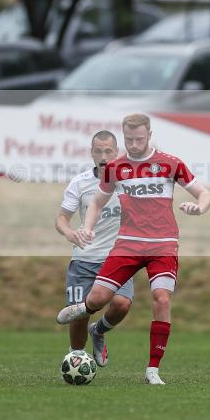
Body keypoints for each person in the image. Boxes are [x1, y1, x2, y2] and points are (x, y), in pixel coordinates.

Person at [56, 113, 210, 385]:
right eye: (129, 139)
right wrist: (89, 227)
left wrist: (199, 207)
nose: (134, 144)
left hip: (163, 245)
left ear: (149, 135)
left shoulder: (170, 163)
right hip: (128, 244)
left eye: (139, 139)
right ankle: (86, 312)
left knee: (161, 299)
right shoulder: (116, 168)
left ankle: (153, 369)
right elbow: (96, 203)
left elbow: (204, 192)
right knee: (96, 300)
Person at [55, 130, 134, 366]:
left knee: (121, 304)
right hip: (85, 257)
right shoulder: (80, 183)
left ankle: (98, 331)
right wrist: (70, 232)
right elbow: (61, 218)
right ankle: (76, 357)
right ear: (91, 153)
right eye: (98, 151)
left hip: (118, 257)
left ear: (117, 152)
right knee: (79, 312)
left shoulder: (129, 182)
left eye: (108, 151)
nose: (103, 156)